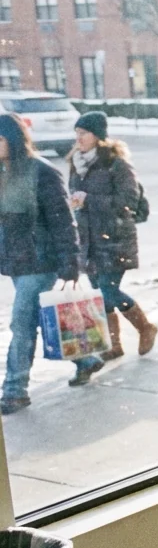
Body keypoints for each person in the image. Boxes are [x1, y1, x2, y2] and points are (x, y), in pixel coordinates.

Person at [0, 114, 104, 414]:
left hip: (40, 260)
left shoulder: (41, 172)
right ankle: (86, 359)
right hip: (17, 262)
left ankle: (14, 390)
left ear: (15, 140)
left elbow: (63, 221)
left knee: (21, 323)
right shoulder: (2, 171)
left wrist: (70, 264)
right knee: (40, 319)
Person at [69, 112, 158, 360]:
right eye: (76, 133)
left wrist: (90, 201)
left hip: (115, 237)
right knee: (99, 293)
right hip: (89, 239)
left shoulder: (116, 164)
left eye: (84, 133)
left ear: (98, 136)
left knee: (107, 291)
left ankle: (145, 327)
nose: (79, 138)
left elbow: (128, 201)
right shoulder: (76, 163)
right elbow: (76, 195)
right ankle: (114, 345)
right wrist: (76, 203)